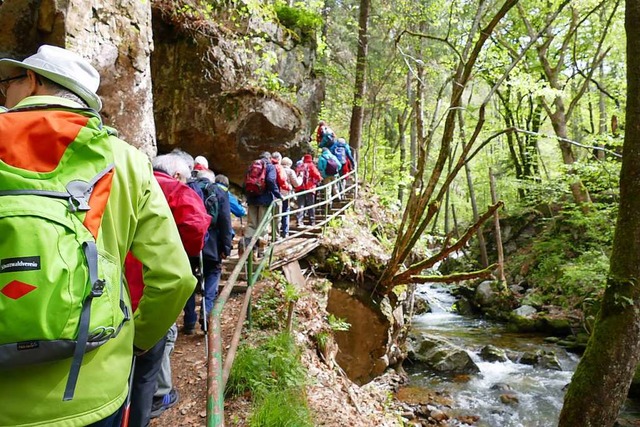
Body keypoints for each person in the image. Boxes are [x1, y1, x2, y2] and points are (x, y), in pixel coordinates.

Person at [0, 45, 196, 427]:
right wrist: (136, 341)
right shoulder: (124, 159)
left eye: (9, 81)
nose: (4, 90)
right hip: (91, 387)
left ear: (34, 82)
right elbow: (175, 278)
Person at [125, 153, 211, 426]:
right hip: (152, 290)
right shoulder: (176, 190)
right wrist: (184, 252)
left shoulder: (128, 183)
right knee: (145, 368)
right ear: (176, 175)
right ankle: (146, 410)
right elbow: (196, 230)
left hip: (115, 289)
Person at [183, 169, 232, 334]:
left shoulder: (187, 190)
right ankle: (207, 311)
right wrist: (226, 248)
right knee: (212, 274)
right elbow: (225, 222)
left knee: (189, 280)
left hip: (188, 244)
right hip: (211, 245)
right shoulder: (219, 192)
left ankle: (189, 320)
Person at [243, 152, 282, 253]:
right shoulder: (270, 167)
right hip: (265, 200)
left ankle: (249, 249)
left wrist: (247, 195)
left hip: (251, 199)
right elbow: (270, 180)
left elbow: (245, 182)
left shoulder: (252, 166)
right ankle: (261, 250)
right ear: (269, 158)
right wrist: (278, 195)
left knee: (251, 225)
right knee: (263, 224)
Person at [295, 153, 322, 227]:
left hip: (300, 188)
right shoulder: (311, 166)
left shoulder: (300, 166)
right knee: (310, 205)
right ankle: (312, 221)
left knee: (300, 205)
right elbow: (317, 175)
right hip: (309, 188)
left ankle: (299, 221)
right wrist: (318, 181)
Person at [280, 157, 302, 237]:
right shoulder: (290, 171)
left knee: (277, 213)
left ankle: (276, 233)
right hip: (286, 194)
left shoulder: (277, 169)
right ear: (289, 164)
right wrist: (300, 177)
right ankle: (285, 232)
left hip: (276, 195)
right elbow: (296, 184)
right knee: (285, 212)